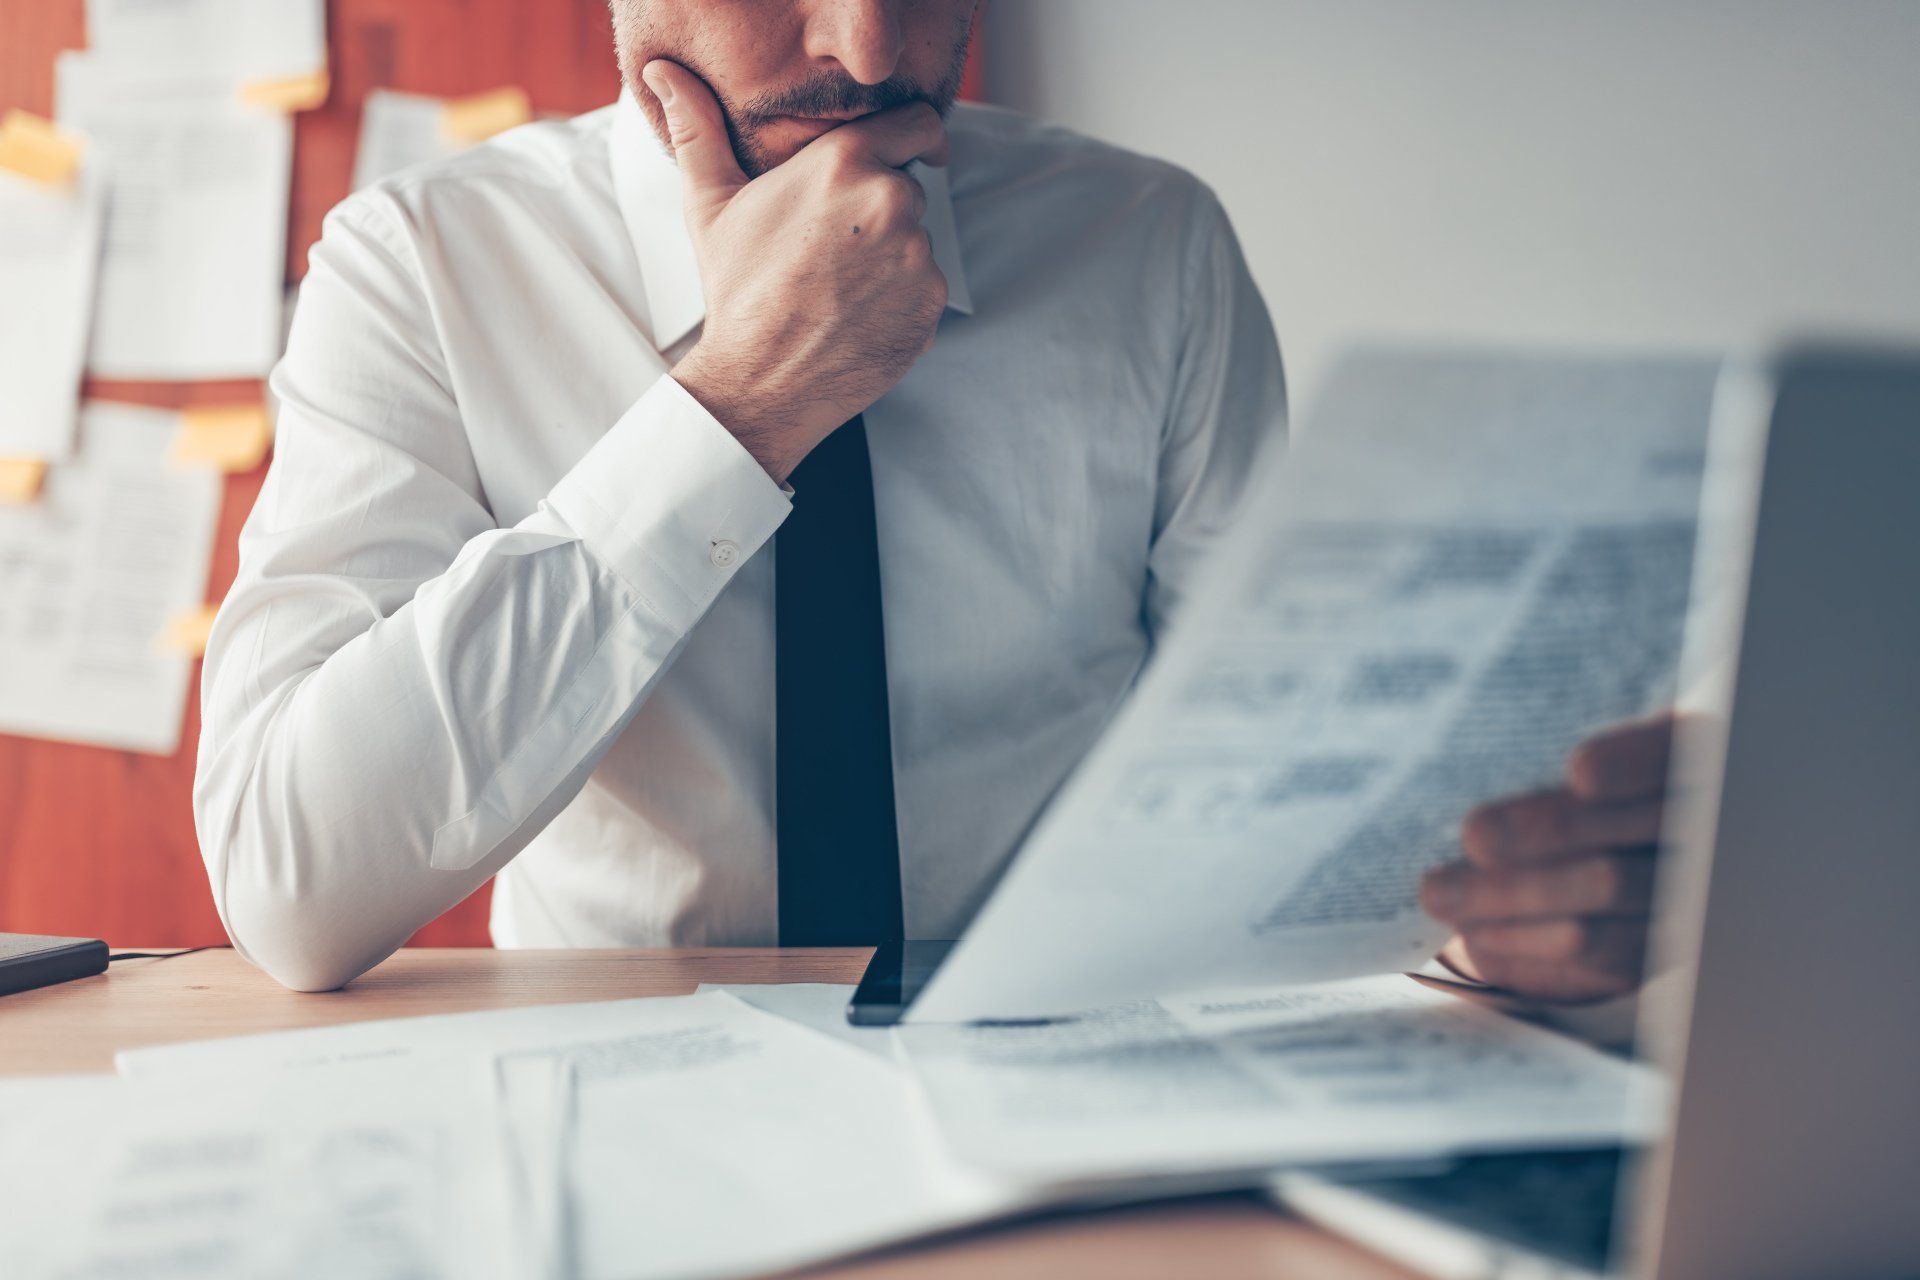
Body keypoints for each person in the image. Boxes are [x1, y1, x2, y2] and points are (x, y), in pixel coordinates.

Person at [195, 0, 1671, 1001]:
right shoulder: (422, 262)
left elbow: (1298, 799)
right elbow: (289, 885)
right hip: (608, 1116)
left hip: (1068, 1097)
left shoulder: (1149, 243)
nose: (872, 46)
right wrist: (748, 402)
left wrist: (1501, 927)